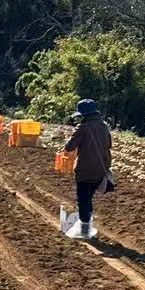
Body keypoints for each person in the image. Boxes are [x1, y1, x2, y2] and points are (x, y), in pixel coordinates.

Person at [62, 98, 114, 238]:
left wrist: (70, 138)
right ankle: (87, 225)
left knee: (83, 199)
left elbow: (70, 146)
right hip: (101, 169)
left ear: (84, 115)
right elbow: (108, 145)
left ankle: (85, 230)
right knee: (89, 197)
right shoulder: (103, 126)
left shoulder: (83, 127)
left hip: (85, 169)